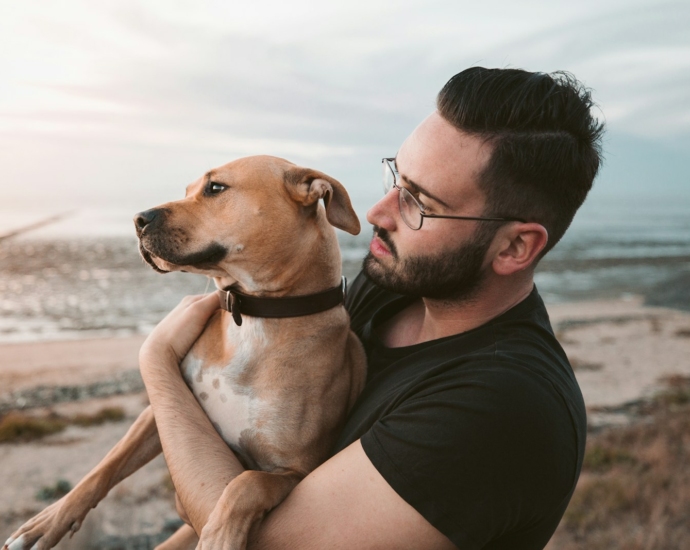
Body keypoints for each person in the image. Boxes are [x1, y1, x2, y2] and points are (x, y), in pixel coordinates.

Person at [140, 67, 604, 549]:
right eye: (396, 178)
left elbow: (268, 544)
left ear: (514, 248)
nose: (379, 213)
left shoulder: (501, 405)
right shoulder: (395, 287)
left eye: (419, 203)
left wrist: (157, 366)